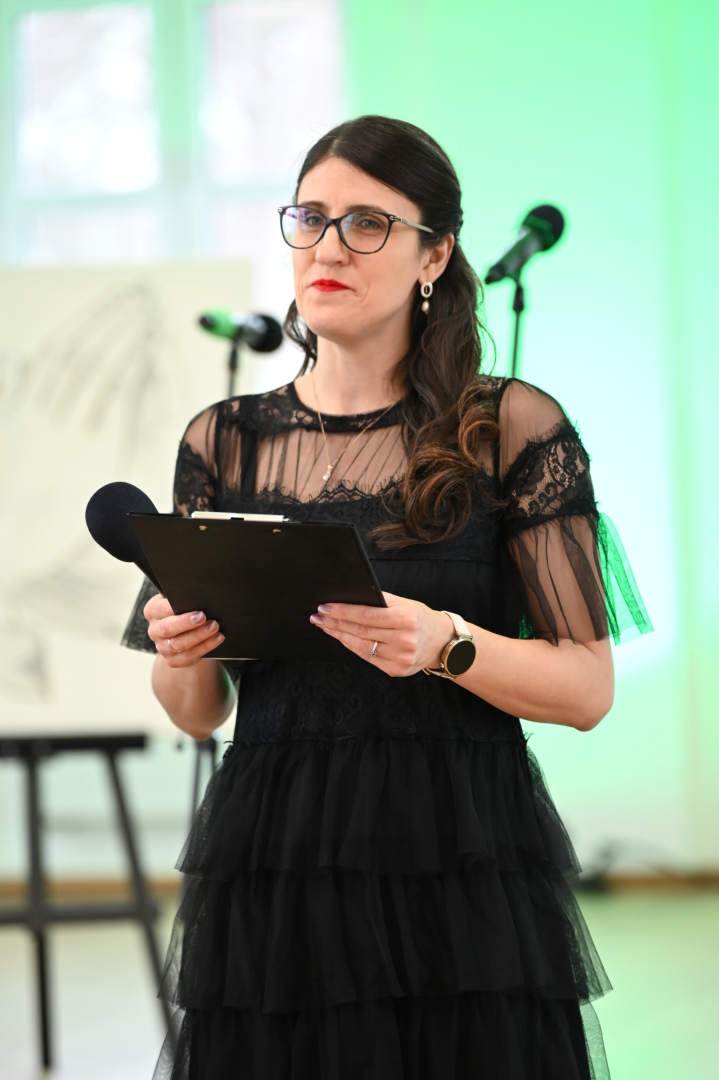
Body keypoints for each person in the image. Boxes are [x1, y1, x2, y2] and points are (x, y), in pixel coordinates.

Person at [122, 115, 651, 1080]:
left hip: (461, 854)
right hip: (275, 859)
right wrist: (180, 652)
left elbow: (585, 689)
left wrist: (446, 643)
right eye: (310, 218)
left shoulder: (510, 427)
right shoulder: (223, 441)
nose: (328, 247)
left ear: (433, 255)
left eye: (367, 223)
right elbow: (198, 713)